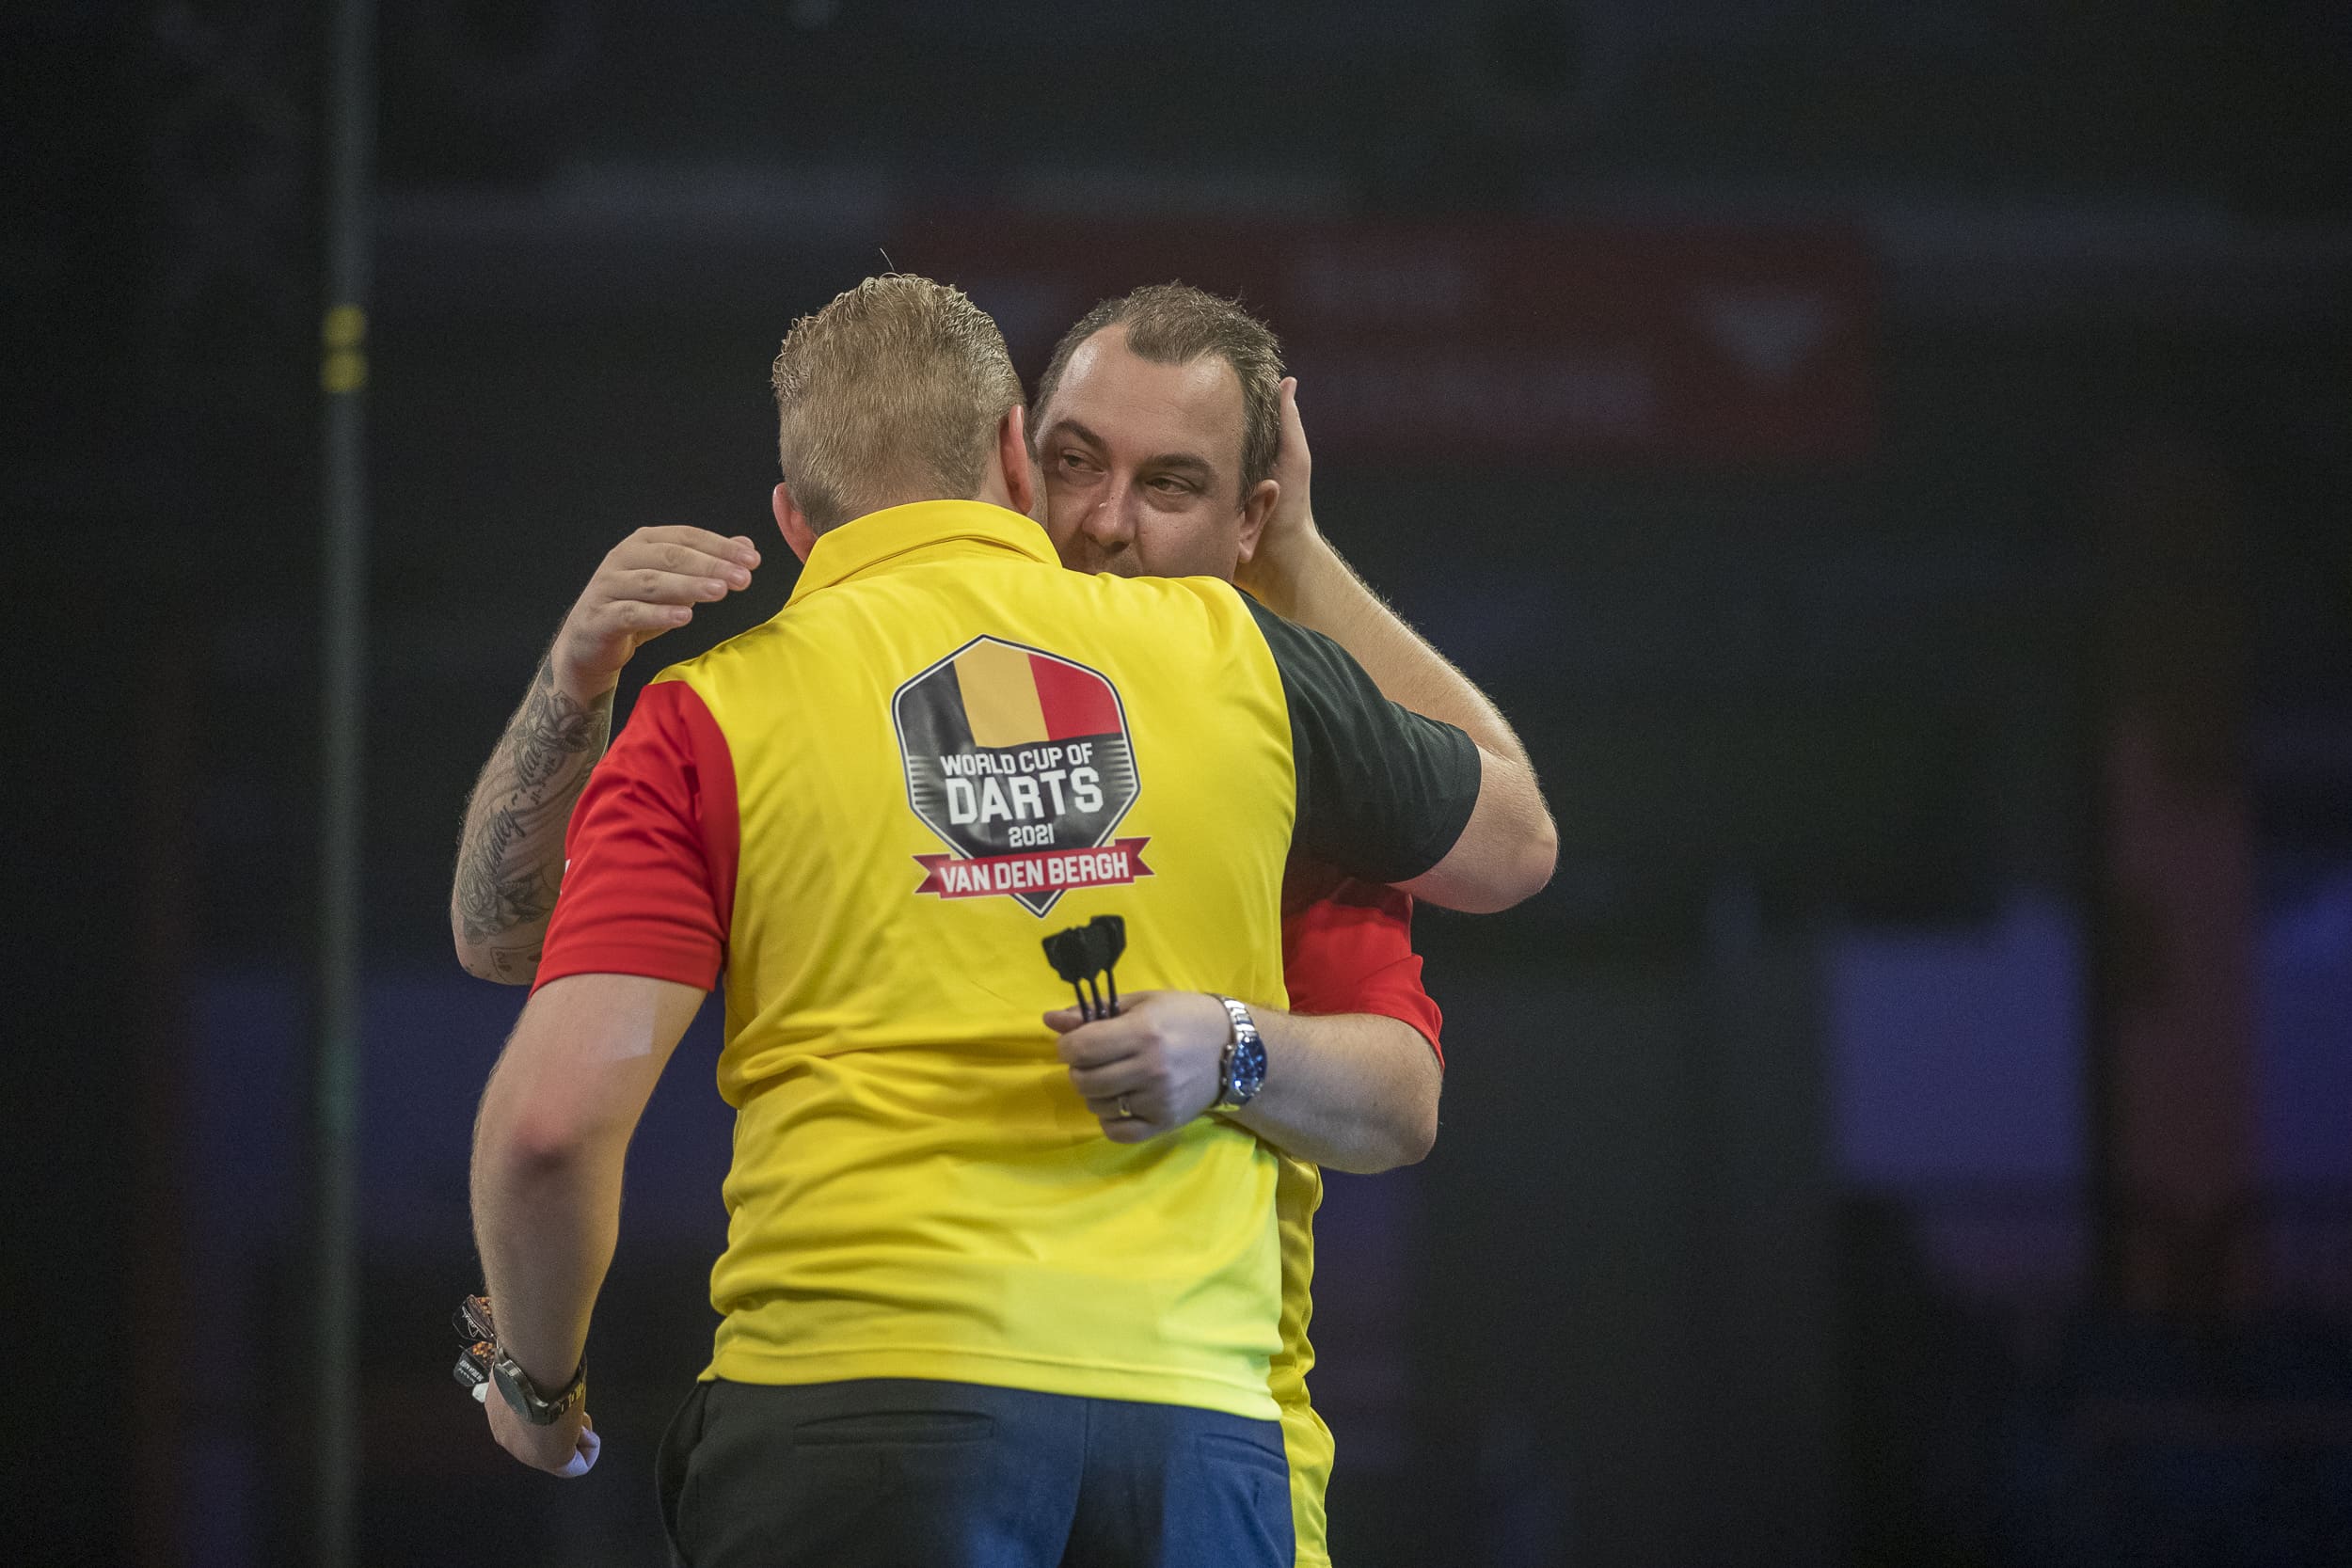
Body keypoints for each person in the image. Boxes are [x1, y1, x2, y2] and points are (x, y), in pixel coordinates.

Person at [453, 283, 1550, 1567]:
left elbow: (546, 1112)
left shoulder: (717, 713)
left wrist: (536, 1388)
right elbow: (1518, 844)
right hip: (1198, 1433)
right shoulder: (1245, 668)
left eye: (1170, 485)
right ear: (1019, 456)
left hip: (850, 1406)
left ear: (792, 521)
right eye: (1081, 464)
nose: (1108, 520)